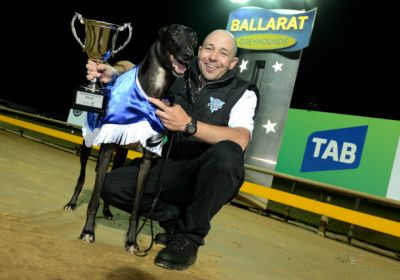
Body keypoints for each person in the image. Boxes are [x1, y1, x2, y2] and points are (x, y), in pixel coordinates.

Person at [86, 29, 259, 270]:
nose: (212, 57)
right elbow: (140, 67)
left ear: (233, 63)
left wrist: (188, 125)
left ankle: (188, 239)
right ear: (199, 52)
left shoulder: (243, 92)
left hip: (207, 171)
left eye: (223, 53)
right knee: (111, 186)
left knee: (228, 154)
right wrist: (115, 71)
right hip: (171, 165)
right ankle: (174, 221)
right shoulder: (178, 72)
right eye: (208, 48)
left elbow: (240, 138)